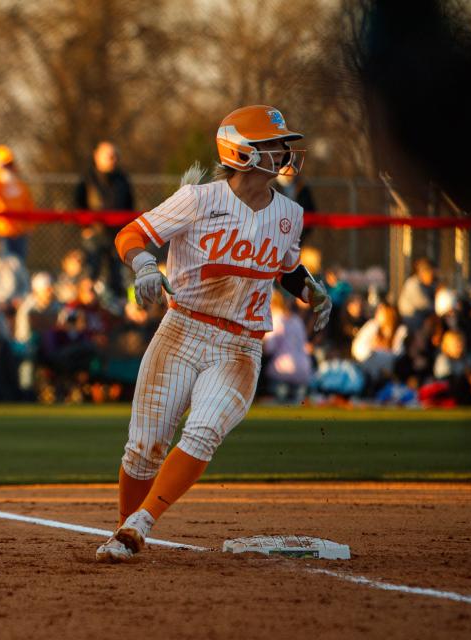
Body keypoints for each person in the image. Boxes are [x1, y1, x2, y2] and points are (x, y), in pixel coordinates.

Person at [95, 105, 331, 562]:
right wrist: (144, 265)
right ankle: (123, 531)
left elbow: (286, 268)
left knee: (203, 431)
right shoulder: (198, 199)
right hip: (181, 329)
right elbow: (131, 234)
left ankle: (139, 526)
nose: (284, 152)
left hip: (241, 345)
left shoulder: (290, 213)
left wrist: (310, 290)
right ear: (241, 152)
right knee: (143, 448)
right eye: (272, 144)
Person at [74, 141, 135, 296]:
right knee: (91, 272)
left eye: (115, 156)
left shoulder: (122, 179)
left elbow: (129, 205)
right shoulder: (87, 178)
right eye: (108, 156)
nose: (112, 159)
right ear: (97, 157)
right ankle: (88, 305)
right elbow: (78, 204)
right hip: (95, 232)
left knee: (117, 274)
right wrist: (85, 228)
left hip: (117, 233)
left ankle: (118, 305)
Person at [397, 257, 438, 332]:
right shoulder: (412, 284)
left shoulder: (429, 285)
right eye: (432, 274)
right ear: (423, 272)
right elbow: (425, 304)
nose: (433, 278)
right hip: (411, 323)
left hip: (420, 321)